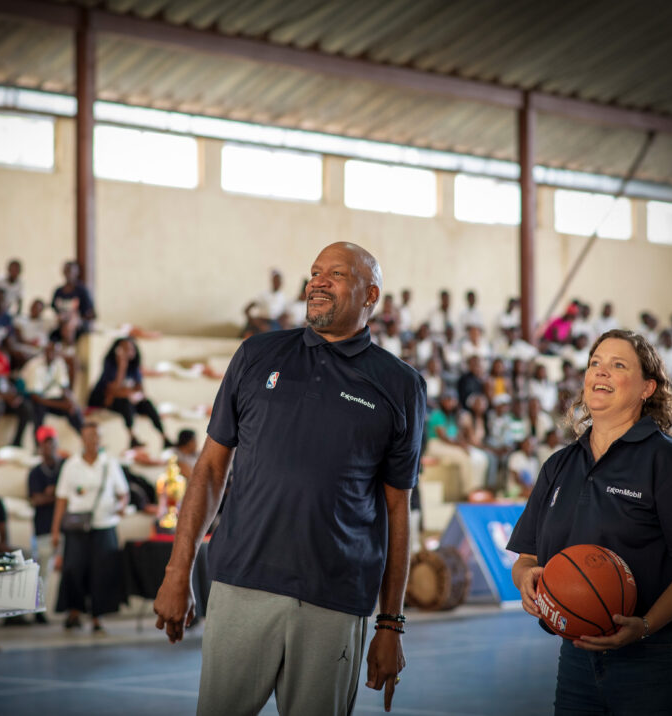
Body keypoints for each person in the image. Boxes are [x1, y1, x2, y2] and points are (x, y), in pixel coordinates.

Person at [153, 242, 426, 715]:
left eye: (336, 274)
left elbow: (396, 510)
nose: (317, 281)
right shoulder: (257, 355)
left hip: (336, 600)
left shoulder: (400, 384)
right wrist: (178, 572)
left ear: (370, 295)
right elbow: (211, 470)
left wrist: (391, 624)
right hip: (242, 584)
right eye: (315, 272)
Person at [508, 329, 672, 715]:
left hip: (655, 654)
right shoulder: (559, 465)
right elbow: (526, 558)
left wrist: (645, 624)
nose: (600, 372)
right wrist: (526, 580)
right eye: (595, 364)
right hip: (575, 654)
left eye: (617, 365)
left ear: (646, 388)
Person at [51, 422, 129, 632]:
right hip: (77, 526)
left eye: (96, 436)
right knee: (73, 569)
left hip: (104, 525)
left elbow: (123, 493)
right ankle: (73, 612)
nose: (92, 441)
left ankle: (98, 616)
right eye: (88, 437)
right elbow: (61, 499)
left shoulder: (110, 464)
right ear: (82, 440)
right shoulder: (71, 465)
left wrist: (121, 506)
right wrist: (55, 530)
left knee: (102, 572)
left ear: (100, 439)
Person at [88, 337, 171, 449]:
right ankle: (132, 437)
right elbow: (112, 390)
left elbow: (141, 391)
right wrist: (122, 366)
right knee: (125, 403)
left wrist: (132, 395)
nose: (129, 352)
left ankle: (164, 437)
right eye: (125, 349)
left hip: (127, 399)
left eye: (131, 349)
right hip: (108, 401)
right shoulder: (111, 365)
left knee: (147, 404)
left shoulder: (134, 368)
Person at [27, 426, 64, 624]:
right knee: (43, 572)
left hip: (66, 527)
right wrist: (56, 496)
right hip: (43, 528)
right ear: (40, 447)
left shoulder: (65, 467)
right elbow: (36, 499)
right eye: (45, 443)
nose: (50, 446)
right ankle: (38, 611)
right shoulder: (35, 473)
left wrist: (52, 494)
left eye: (52, 442)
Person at [22, 337, 84, 433]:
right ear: (44, 352)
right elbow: (36, 397)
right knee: (38, 410)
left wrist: (70, 401)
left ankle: (86, 437)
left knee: (74, 409)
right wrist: (61, 405)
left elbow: (64, 387)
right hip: (30, 397)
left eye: (54, 352)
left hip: (49, 398)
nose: (51, 354)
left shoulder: (59, 362)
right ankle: (39, 445)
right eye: (49, 351)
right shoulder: (35, 365)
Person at [51, 261, 95, 337]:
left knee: (70, 326)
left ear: (76, 273)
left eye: (70, 271)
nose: (68, 274)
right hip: (61, 325)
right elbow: (55, 310)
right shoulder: (58, 291)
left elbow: (90, 313)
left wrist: (77, 319)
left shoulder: (82, 291)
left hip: (78, 327)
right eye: (66, 270)